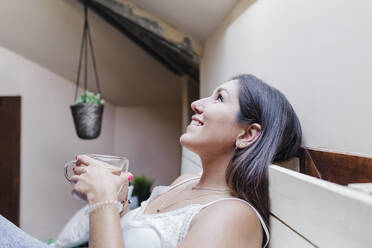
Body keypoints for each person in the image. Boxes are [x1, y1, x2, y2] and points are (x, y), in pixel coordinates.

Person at [0, 74, 301, 248]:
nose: (197, 104)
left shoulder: (233, 217)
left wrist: (101, 200)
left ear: (248, 134)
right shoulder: (186, 183)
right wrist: (119, 202)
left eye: (219, 98)